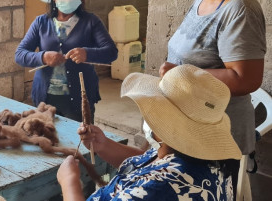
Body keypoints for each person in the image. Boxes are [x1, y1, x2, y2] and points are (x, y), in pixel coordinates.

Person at [158, 0, 266, 192]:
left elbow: (246, 79)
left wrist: (180, 74)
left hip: (217, 135)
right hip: (188, 127)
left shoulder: (240, 10)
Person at [57, 64, 241, 201]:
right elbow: (146, 164)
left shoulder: (159, 189)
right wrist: (103, 144)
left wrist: (69, 181)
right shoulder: (198, 156)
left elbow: (153, 180)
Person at [15, 0, 117, 123]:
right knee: (48, 140)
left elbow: (111, 52)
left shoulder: (91, 22)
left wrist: (87, 53)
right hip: (45, 98)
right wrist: (42, 57)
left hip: (80, 98)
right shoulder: (41, 23)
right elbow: (20, 54)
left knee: (81, 141)